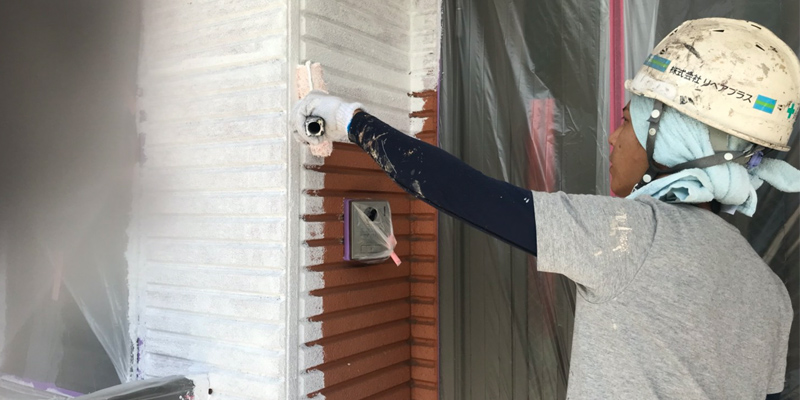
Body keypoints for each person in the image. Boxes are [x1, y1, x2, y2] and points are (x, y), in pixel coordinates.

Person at [292, 18, 799, 399]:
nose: (613, 138)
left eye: (628, 121)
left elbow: (465, 193)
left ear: (670, 138)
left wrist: (350, 120)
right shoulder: (771, 293)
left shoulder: (634, 236)